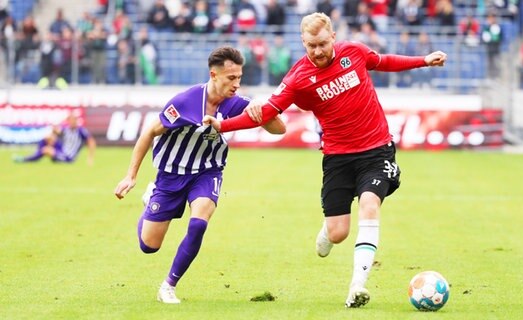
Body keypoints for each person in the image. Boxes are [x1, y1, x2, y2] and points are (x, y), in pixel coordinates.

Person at [203, 12, 446, 308]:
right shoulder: (298, 77)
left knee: (370, 204)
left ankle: (357, 285)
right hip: (337, 158)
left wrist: (423, 60)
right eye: (310, 46)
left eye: (321, 44)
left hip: (376, 149)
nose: (317, 51)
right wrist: (222, 125)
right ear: (303, 43)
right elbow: (267, 112)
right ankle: (328, 232)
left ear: (332, 37)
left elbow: (383, 62)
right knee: (338, 232)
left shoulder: (354, 52)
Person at [113, 46, 286, 304]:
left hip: (207, 171)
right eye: (231, 78)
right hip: (171, 175)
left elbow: (279, 129)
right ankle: (151, 200)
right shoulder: (185, 102)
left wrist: (261, 110)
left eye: (239, 77)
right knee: (149, 245)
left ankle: (168, 286)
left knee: (198, 224)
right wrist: (131, 176)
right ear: (214, 75)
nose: (237, 84)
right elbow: (149, 132)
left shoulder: (237, 103)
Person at [13, 113, 96, 164]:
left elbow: (91, 142)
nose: (70, 122)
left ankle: (25, 159)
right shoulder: (66, 129)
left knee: (46, 150)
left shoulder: (81, 131)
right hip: (62, 150)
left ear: (76, 121)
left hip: (68, 156)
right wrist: (63, 120)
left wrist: (90, 158)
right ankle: (37, 153)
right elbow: (54, 129)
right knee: (48, 138)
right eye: (69, 120)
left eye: (72, 120)